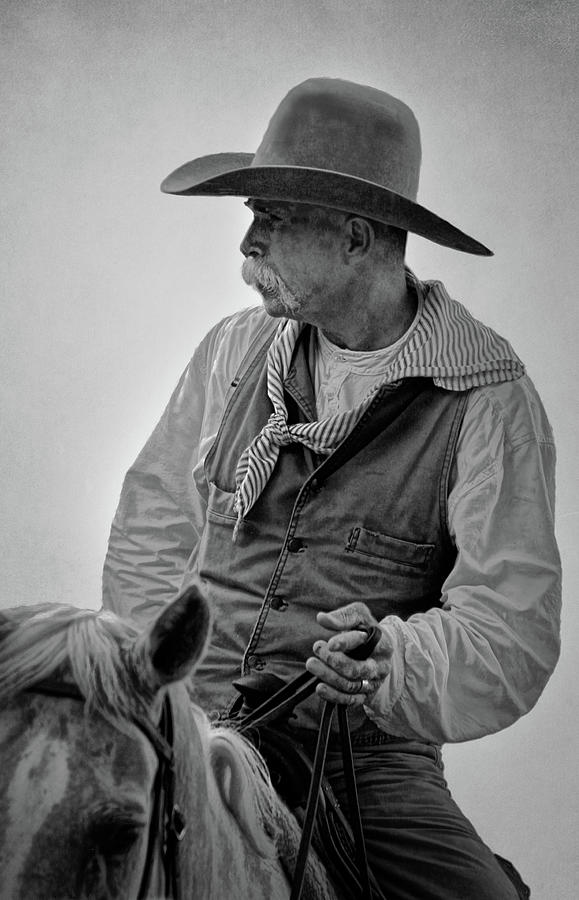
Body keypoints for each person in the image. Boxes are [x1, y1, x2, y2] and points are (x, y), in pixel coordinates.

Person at [102, 78, 561, 899]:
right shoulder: (233, 353)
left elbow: (511, 630)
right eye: (252, 217)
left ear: (355, 237)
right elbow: (154, 529)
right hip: (185, 724)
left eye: (272, 219)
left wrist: (395, 658)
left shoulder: (486, 402)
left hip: (358, 761)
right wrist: (150, 690)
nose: (247, 244)